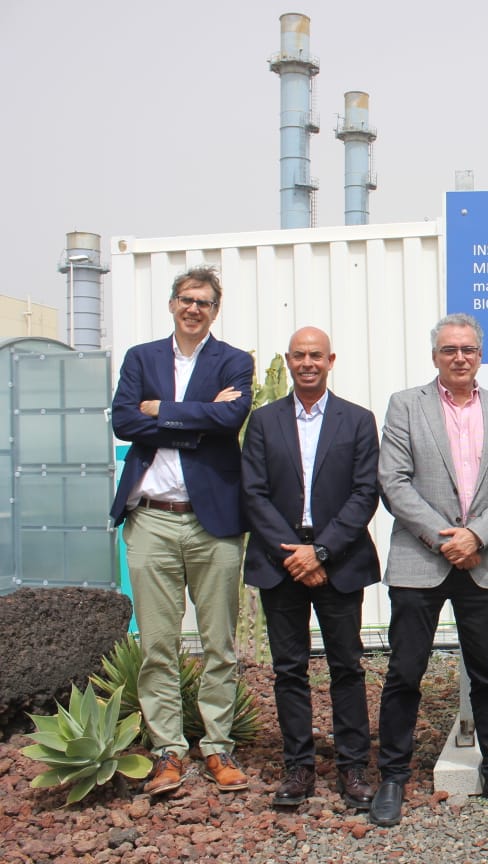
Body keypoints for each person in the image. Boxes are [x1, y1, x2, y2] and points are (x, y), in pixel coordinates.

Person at [370, 313, 488, 824]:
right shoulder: (405, 406)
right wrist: (447, 539)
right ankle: (392, 778)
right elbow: (393, 482)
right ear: (435, 355)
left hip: (483, 561)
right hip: (421, 559)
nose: (458, 357)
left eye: (467, 349)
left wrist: (476, 535)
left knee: (486, 673)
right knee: (404, 671)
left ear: (480, 355)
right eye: (448, 350)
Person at [109, 265, 253, 796]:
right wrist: (192, 416)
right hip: (150, 518)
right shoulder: (140, 358)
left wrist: (161, 411)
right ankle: (168, 751)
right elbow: (125, 421)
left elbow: (227, 421)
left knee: (219, 643)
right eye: (187, 299)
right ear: (173, 303)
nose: (195, 309)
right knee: (158, 645)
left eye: (205, 302)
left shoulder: (233, 361)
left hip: (212, 522)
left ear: (216, 310)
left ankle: (218, 748)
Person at [241, 327, 380, 810]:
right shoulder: (263, 422)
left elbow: (366, 493)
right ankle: (298, 767)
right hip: (281, 562)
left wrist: (320, 552)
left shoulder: (358, 421)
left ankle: (353, 767)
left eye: (315, 355)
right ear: (288, 360)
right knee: (289, 670)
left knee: (347, 667)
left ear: (330, 360)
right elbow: (253, 492)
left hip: (339, 562)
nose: (307, 363)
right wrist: (294, 554)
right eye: (299, 355)